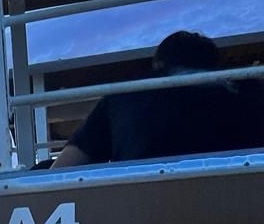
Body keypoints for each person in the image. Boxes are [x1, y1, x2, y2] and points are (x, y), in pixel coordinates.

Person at [52, 31, 264, 167]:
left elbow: (64, 169)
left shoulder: (125, 95)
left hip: (142, 212)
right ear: (215, 65)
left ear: (158, 65)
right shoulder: (250, 92)